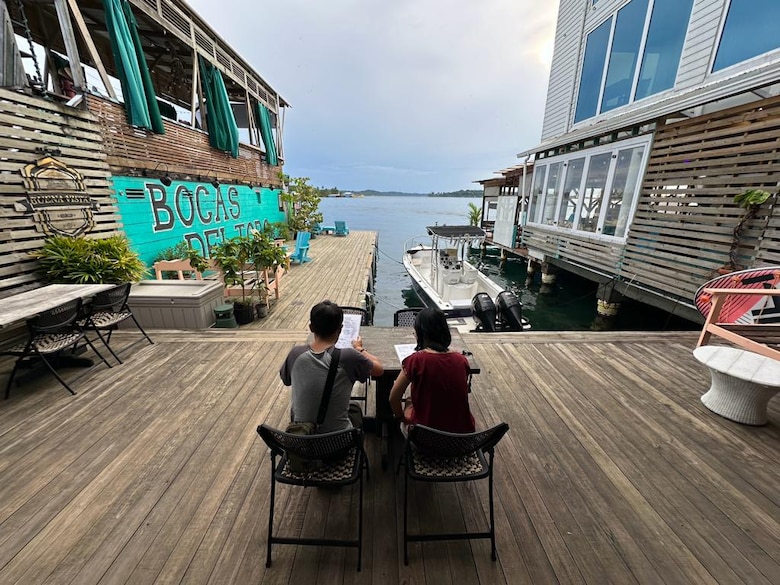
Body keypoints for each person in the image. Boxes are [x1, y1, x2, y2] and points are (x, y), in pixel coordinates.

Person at [280, 300, 383, 433]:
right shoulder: (348, 357)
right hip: (337, 441)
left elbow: (286, 380)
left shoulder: (295, 353)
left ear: (311, 328)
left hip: (302, 439)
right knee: (355, 410)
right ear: (340, 329)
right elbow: (379, 369)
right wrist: (359, 348)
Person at [389, 307, 475, 433]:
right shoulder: (461, 360)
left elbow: (393, 398)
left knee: (408, 402)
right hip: (460, 436)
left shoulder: (415, 361)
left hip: (425, 437)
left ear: (420, 333)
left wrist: (401, 417)